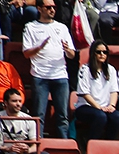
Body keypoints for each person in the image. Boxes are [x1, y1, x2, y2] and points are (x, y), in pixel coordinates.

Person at [22, 0, 75, 139]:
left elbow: (72, 55)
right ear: (39, 8)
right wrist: (39, 48)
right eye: (48, 7)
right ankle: (38, 144)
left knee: (63, 115)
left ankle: (64, 144)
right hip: (40, 76)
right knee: (39, 114)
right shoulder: (30, 27)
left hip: (60, 75)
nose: (52, 10)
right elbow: (26, 53)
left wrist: (67, 50)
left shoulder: (62, 27)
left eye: (54, 7)